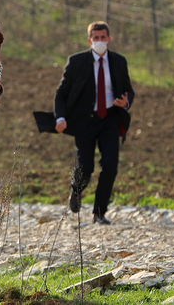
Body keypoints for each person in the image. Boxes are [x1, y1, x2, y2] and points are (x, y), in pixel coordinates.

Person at [54, 21, 134, 225]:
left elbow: (128, 90)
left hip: (110, 119)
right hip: (85, 121)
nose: (99, 41)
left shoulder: (118, 61)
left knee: (110, 165)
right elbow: (61, 93)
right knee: (85, 167)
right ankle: (76, 190)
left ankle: (99, 212)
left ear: (109, 39)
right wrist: (60, 118)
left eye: (103, 38)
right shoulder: (76, 61)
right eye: (95, 38)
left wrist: (126, 102)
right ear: (89, 40)